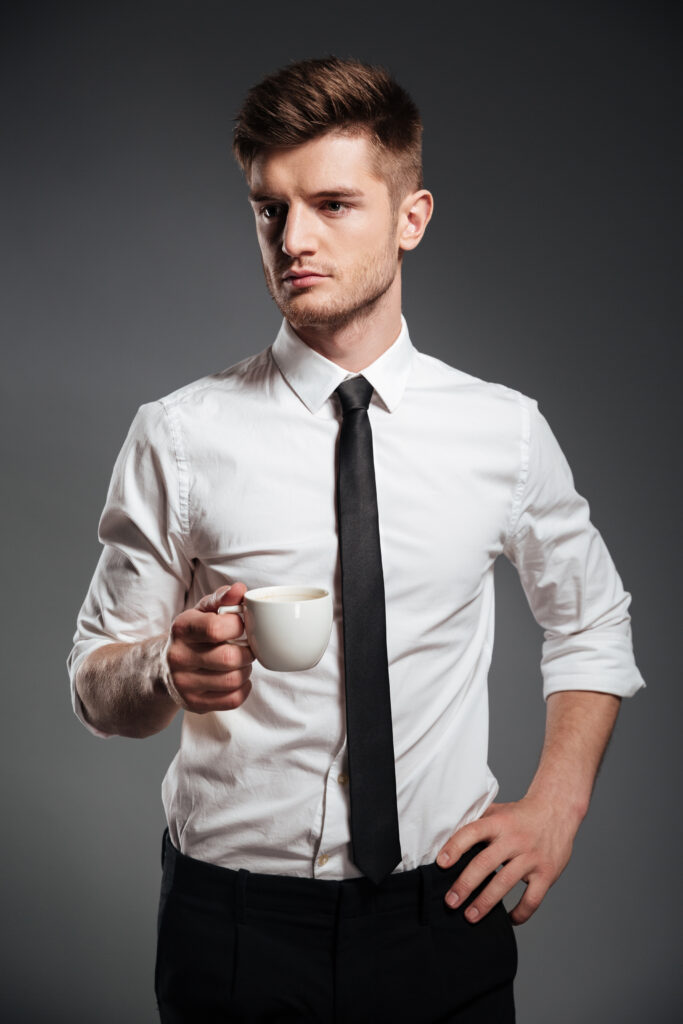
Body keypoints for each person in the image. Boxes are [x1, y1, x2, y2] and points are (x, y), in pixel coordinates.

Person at [68, 57, 645, 1022]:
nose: (292, 239)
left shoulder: (502, 431)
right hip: (233, 926)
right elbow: (94, 682)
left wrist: (557, 805)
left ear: (410, 217)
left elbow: (593, 622)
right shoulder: (178, 433)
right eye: (269, 209)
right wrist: (166, 674)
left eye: (332, 204)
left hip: (440, 916)